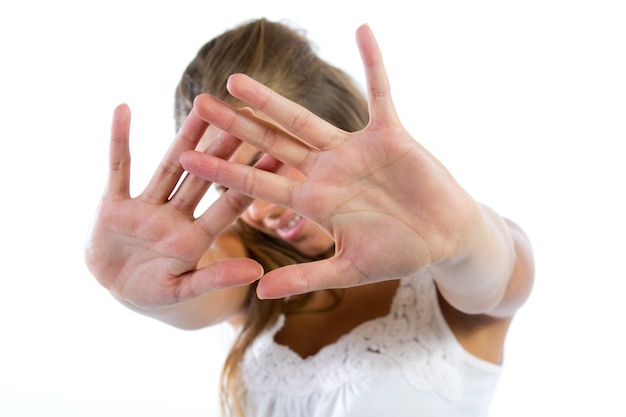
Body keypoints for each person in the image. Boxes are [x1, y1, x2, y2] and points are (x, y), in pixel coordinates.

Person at [85, 18, 534, 417]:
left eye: (267, 165)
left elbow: (498, 273)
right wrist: (134, 292)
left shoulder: (448, 260)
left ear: (333, 124)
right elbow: (190, 297)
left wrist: (461, 235)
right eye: (229, 186)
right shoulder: (246, 265)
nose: (260, 210)